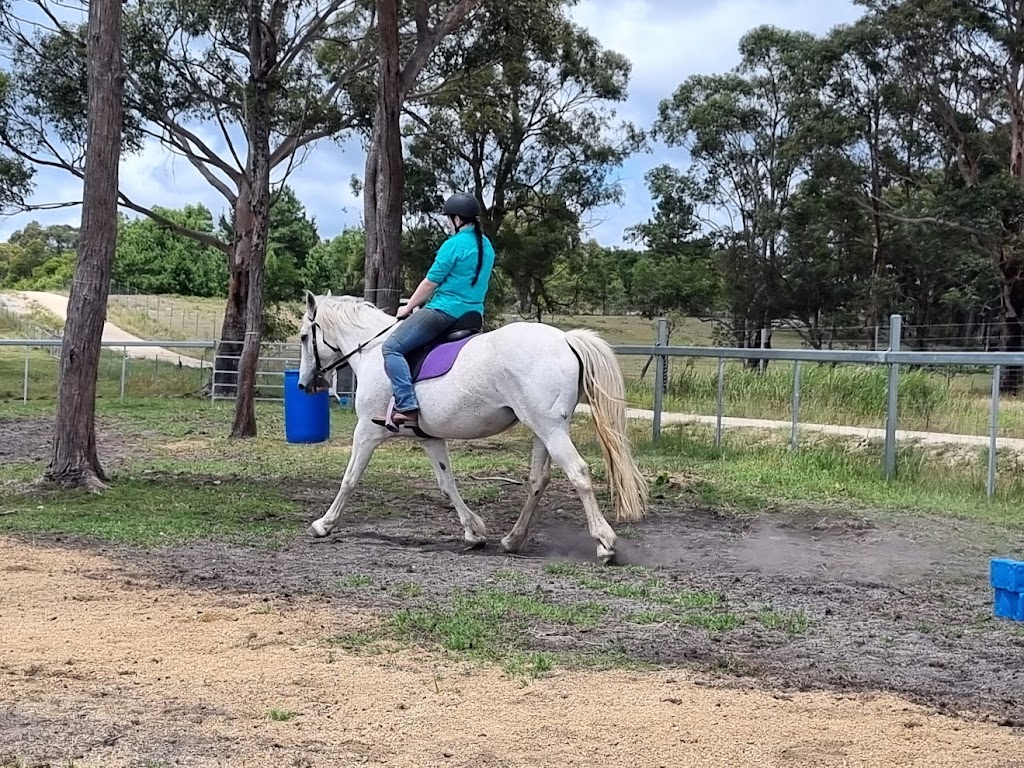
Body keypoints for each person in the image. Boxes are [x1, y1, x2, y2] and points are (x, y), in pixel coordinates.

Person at [381, 192, 496, 428]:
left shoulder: (453, 245)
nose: (447, 223)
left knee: (391, 348)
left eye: (448, 218)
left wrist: (408, 307)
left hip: (445, 311)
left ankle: (406, 405)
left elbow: (430, 283)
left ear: (457, 219)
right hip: (473, 316)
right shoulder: (487, 246)